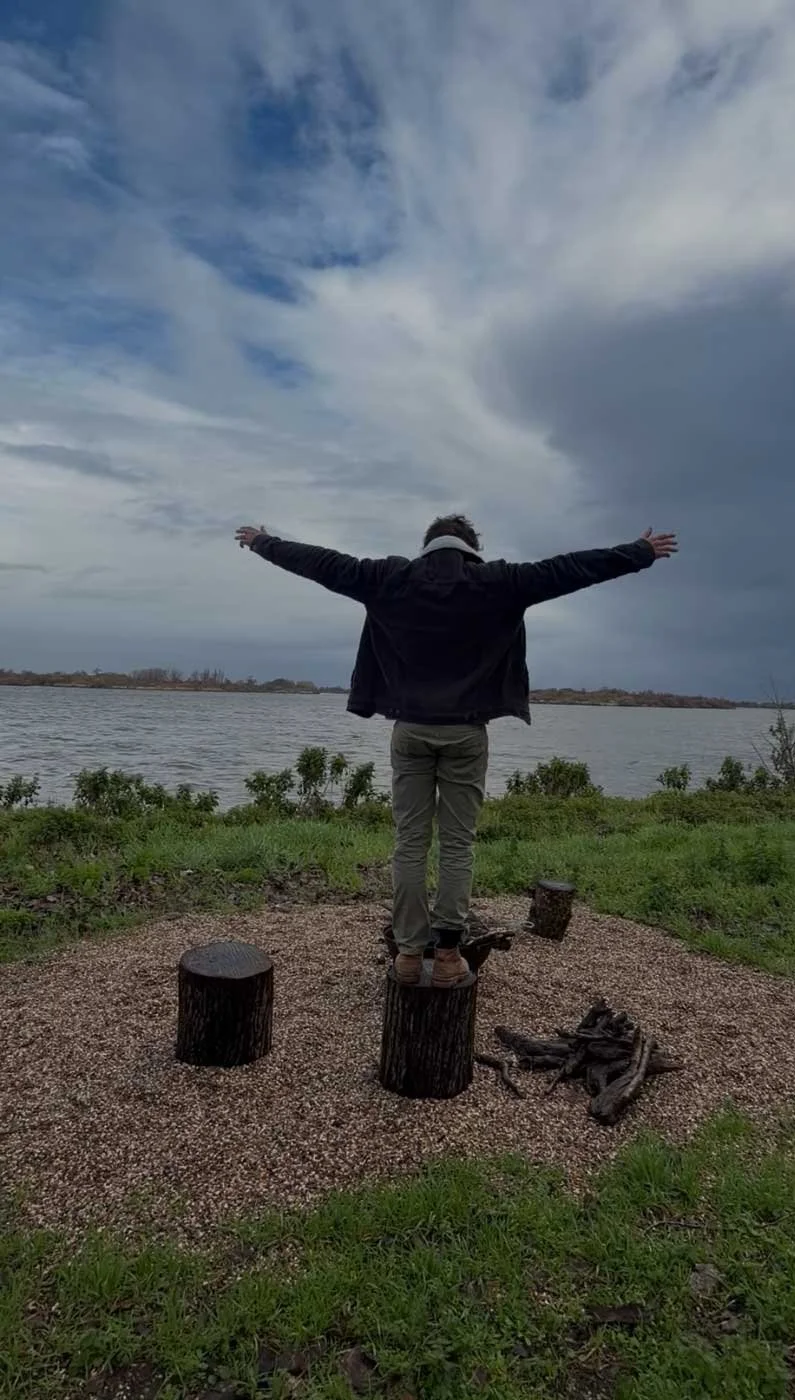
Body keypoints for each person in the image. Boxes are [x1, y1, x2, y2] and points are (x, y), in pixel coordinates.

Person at [235, 516, 677, 987]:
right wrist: (639, 552)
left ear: (426, 547)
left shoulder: (389, 578)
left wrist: (263, 542)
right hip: (467, 734)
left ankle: (407, 955)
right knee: (458, 843)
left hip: (410, 731)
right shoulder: (500, 582)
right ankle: (447, 956)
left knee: (410, 841)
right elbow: (570, 569)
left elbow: (319, 563)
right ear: (472, 549)